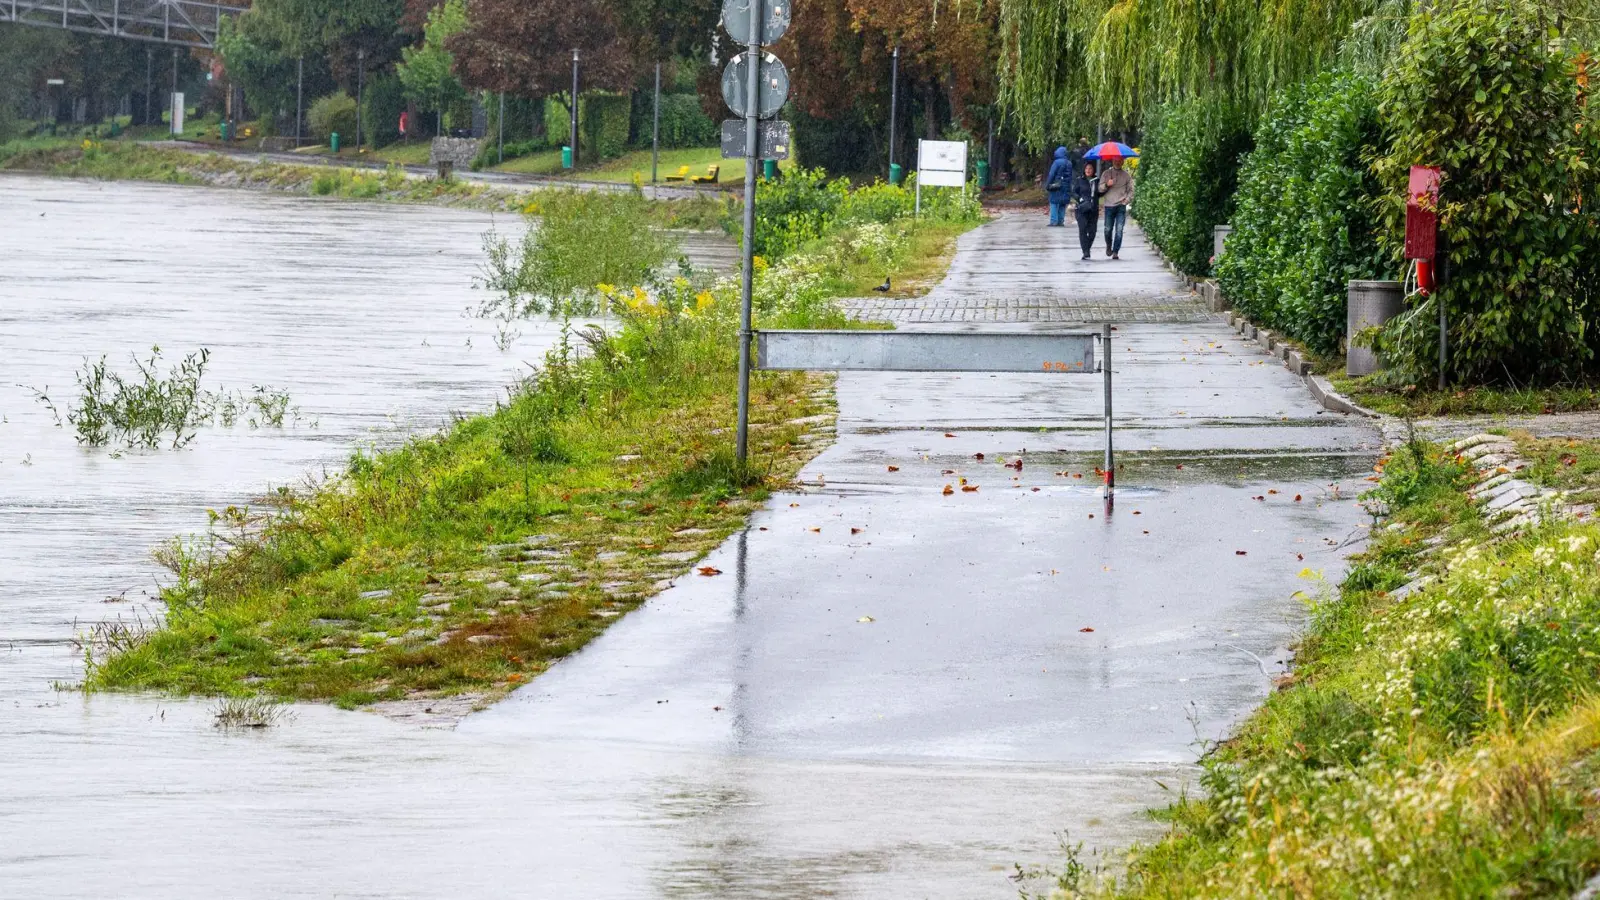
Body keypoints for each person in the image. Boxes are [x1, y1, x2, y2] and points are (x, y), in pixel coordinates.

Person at [1098, 158, 1134, 259]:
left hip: (1120, 207)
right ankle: (1109, 245)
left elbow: (1131, 190)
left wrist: (1126, 201)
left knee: (1119, 230)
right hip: (1109, 205)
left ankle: (1116, 251)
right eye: (1116, 160)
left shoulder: (1126, 176)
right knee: (1107, 229)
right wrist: (1107, 184)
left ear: (1122, 162)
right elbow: (1099, 188)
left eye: (1120, 160)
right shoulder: (1106, 173)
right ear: (1113, 161)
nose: (1118, 162)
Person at [1071, 161, 1100, 260]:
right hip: (1081, 209)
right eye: (1087, 168)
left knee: (1092, 232)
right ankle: (1086, 252)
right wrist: (1080, 199)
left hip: (1093, 209)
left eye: (1090, 168)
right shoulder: (1080, 180)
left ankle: (1087, 248)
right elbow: (1074, 192)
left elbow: (1100, 193)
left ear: (1094, 170)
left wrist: (1107, 186)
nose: (1088, 170)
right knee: (1083, 229)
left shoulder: (1097, 180)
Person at [1045, 147, 1072, 227]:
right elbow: (1070, 176)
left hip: (1057, 186)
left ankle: (1053, 221)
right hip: (1066, 186)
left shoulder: (1056, 162)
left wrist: (1048, 184)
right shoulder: (1069, 163)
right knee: (1062, 203)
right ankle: (1061, 221)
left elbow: (1051, 174)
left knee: (1053, 202)